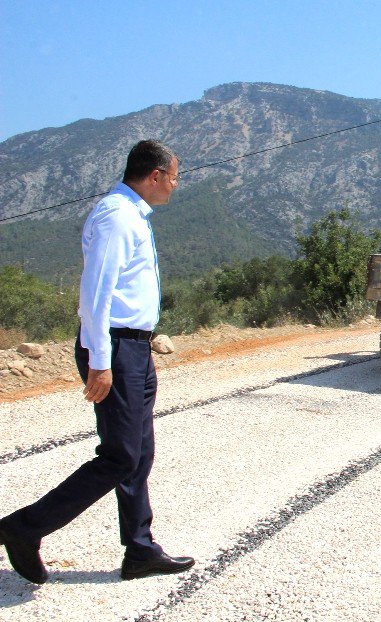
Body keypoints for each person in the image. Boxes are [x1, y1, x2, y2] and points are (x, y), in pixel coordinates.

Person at [0, 140, 194, 584]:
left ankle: (140, 551)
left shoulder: (133, 215)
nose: (176, 186)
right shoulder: (117, 216)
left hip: (135, 347)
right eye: (175, 177)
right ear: (156, 175)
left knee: (138, 453)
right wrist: (101, 362)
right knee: (120, 456)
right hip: (114, 347)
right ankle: (24, 528)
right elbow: (95, 295)